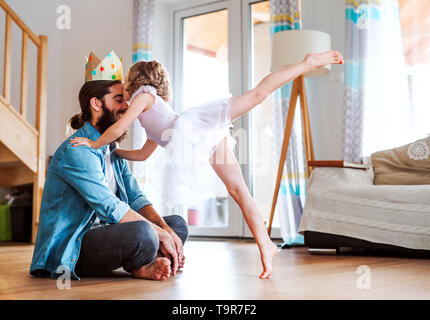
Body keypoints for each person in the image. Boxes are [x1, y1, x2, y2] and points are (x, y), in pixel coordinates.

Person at [70, 50, 344, 279]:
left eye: (123, 92)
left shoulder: (144, 94)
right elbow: (142, 154)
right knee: (239, 191)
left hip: (197, 125)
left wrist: (95, 144)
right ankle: (266, 245)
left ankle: (306, 63)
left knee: (256, 96)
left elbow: (119, 127)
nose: (123, 98)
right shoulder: (148, 117)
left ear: (135, 82)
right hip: (200, 138)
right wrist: (115, 153)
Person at [30, 79, 188, 281]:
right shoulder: (77, 151)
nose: (126, 107)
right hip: (73, 246)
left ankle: (147, 260)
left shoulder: (112, 151)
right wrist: (160, 234)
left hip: (108, 232)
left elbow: (136, 197)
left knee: (177, 225)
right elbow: (110, 207)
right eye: (119, 99)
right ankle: (145, 261)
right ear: (96, 104)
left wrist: (166, 231)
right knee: (144, 232)